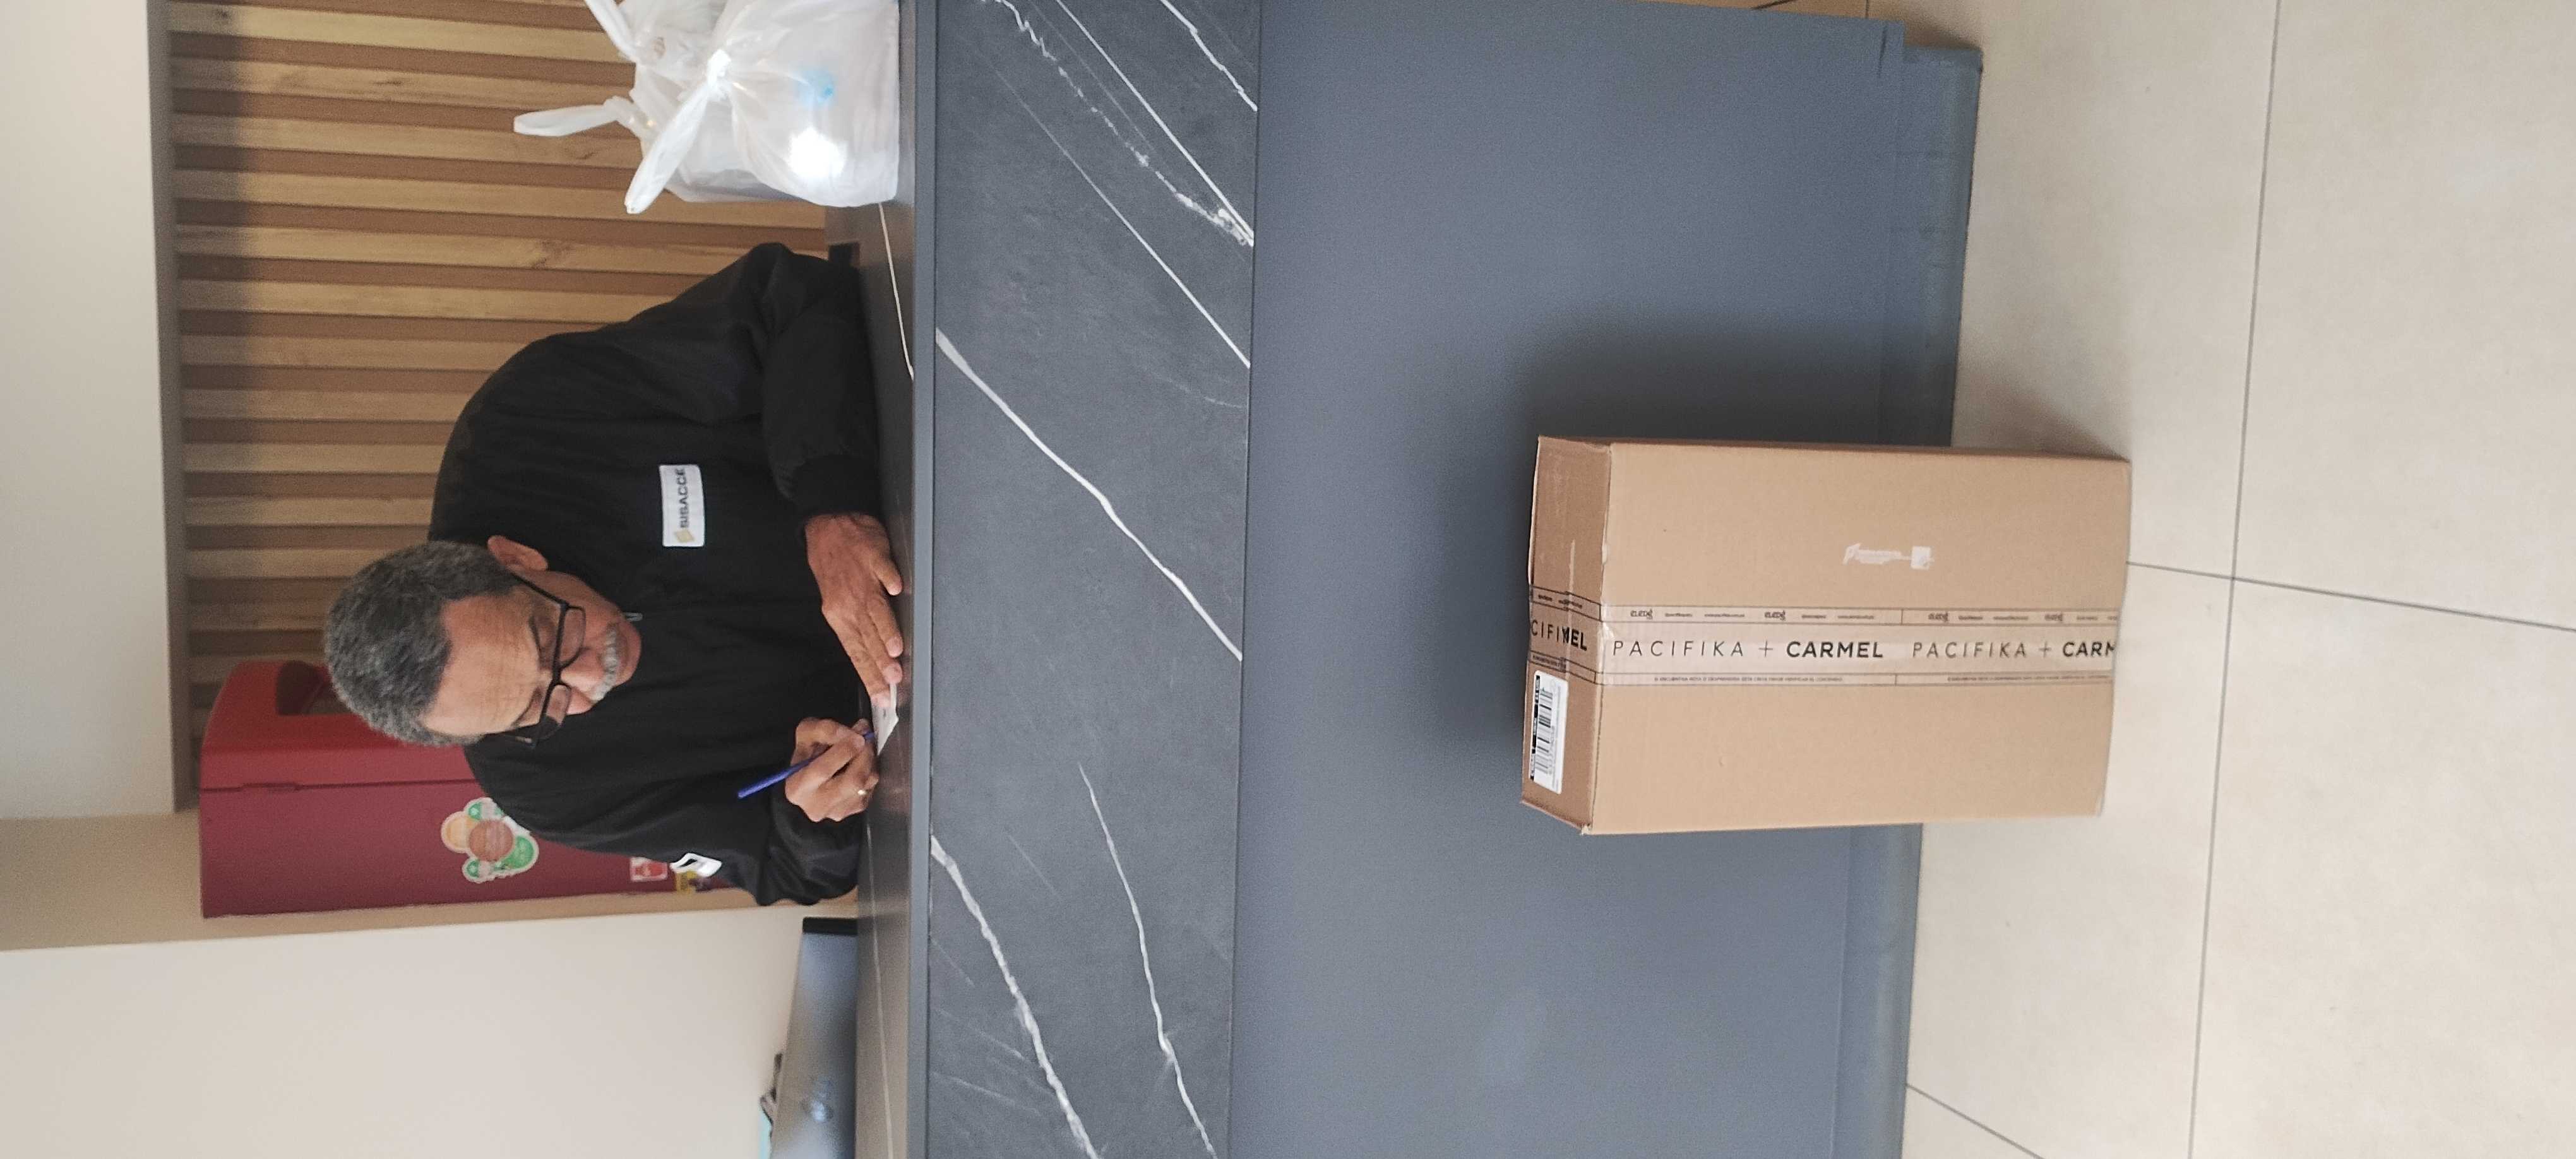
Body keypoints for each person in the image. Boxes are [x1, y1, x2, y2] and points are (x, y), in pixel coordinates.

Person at [323, 244, 903, 905]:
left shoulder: (533, 420)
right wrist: (811, 816)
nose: (590, 679)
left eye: (551, 638)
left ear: (513, 559)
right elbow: (785, 869)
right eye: (539, 710)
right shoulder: (547, 789)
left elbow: (787, 298)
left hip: (932, 485)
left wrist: (832, 503)